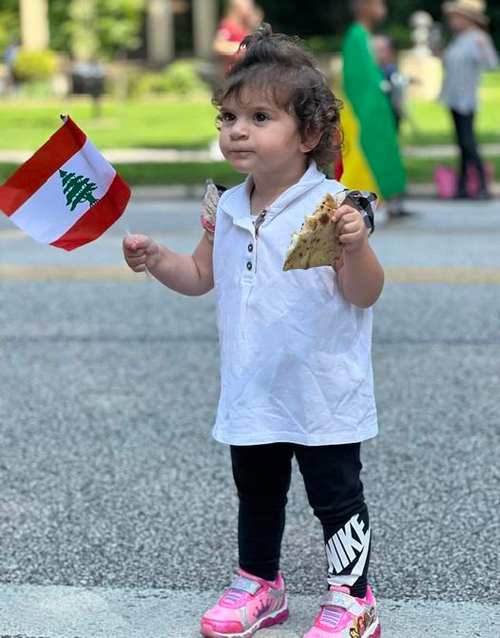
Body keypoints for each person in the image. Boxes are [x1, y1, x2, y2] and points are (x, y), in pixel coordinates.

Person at [123, 25, 384, 638]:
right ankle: (260, 583)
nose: (236, 130)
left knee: (335, 496)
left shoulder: (335, 205)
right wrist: (159, 259)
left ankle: (353, 598)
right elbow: (199, 276)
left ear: (310, 134)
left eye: (259, 116)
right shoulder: (228, 205)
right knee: (258, 494)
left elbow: (364, 294)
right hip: (253, 385)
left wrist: (358, 247)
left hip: (323, 389)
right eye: (228, 116)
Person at [342, 0, 411, 218]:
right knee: (369, 154)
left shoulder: (364, 35)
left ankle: (390, 199)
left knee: (383, 152)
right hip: (366, 112)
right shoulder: (357, 36)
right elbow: (359, 81)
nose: (383, 8)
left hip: (375, 109)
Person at [440, 0, 498, 199]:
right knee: (462, 144)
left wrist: (484, 50)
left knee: (469, 143)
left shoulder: (478, 38)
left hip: (466, 99)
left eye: (457, 17)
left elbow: (491, 64)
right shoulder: (457, 39)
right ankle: (462, 187)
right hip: (453, 98)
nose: (453, 21)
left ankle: (482, 185)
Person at [213, 0, 263, 76]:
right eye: (246, 7)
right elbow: (218, 46)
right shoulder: (228, 25)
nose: (250, 9)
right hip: (233, 74)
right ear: (236, 8)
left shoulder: (245, 26)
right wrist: (241, 47)